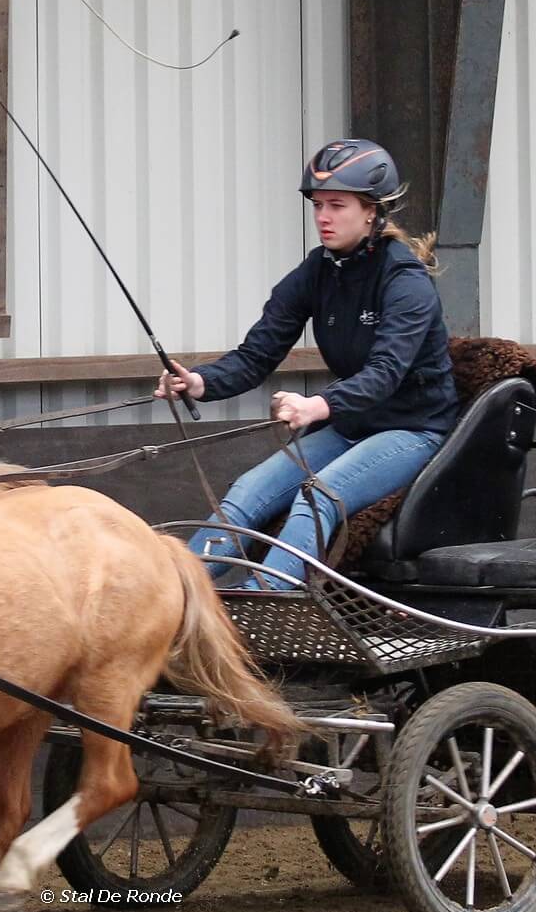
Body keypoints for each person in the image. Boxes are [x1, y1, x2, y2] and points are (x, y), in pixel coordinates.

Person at [157, 139, 459, 586]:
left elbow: (385, 373)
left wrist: (315, 406)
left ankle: (267, 611)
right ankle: (173, 594)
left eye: (337, 205)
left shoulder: (404, 280)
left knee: (315, 498)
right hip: (353, 425)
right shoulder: (319, 269)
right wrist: (201, 382)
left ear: (372, 210)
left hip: (413, 429)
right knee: (247, 492)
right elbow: (257, 354)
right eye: (318, 205)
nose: (323, 217)